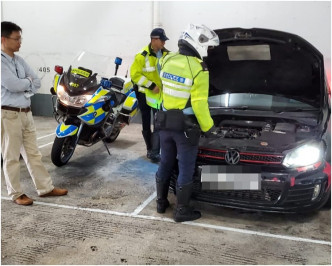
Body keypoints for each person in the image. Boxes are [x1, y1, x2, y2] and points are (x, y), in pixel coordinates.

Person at [154, 24, 220, 222]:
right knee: (185, 167)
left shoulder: (167, 59)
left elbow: (165, 89)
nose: (207, 52)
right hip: (186, 127)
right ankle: (182, 211)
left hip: (164, 123)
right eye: (207, 47)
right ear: (197, 44)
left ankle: (160, 202)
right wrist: (210, 128)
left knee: (165, 162)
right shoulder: (199, 69)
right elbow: (199, 104)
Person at [1, 21, 68, 206]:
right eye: (16, 39)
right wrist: (26, 82)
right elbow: (12, 85)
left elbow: (37, 82)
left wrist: (25, 82)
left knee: (33, 153)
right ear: (3, 39)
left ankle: (45, 188)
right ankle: (16, 193)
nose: (19, 42)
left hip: (26, 113)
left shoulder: (19, 60)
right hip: (8, 115)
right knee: (12, 156)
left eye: (20, 38)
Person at [130, 28, 169, 163]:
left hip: (159, 96)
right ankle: (150, 148)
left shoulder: (166, 55)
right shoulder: (142, 55)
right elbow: (135, 75)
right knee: (146, 122)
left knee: (158, 123)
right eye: (162, 40)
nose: (164, 42)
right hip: (144, 95)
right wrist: (151, 86)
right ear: (154, 40)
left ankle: (155, 151)